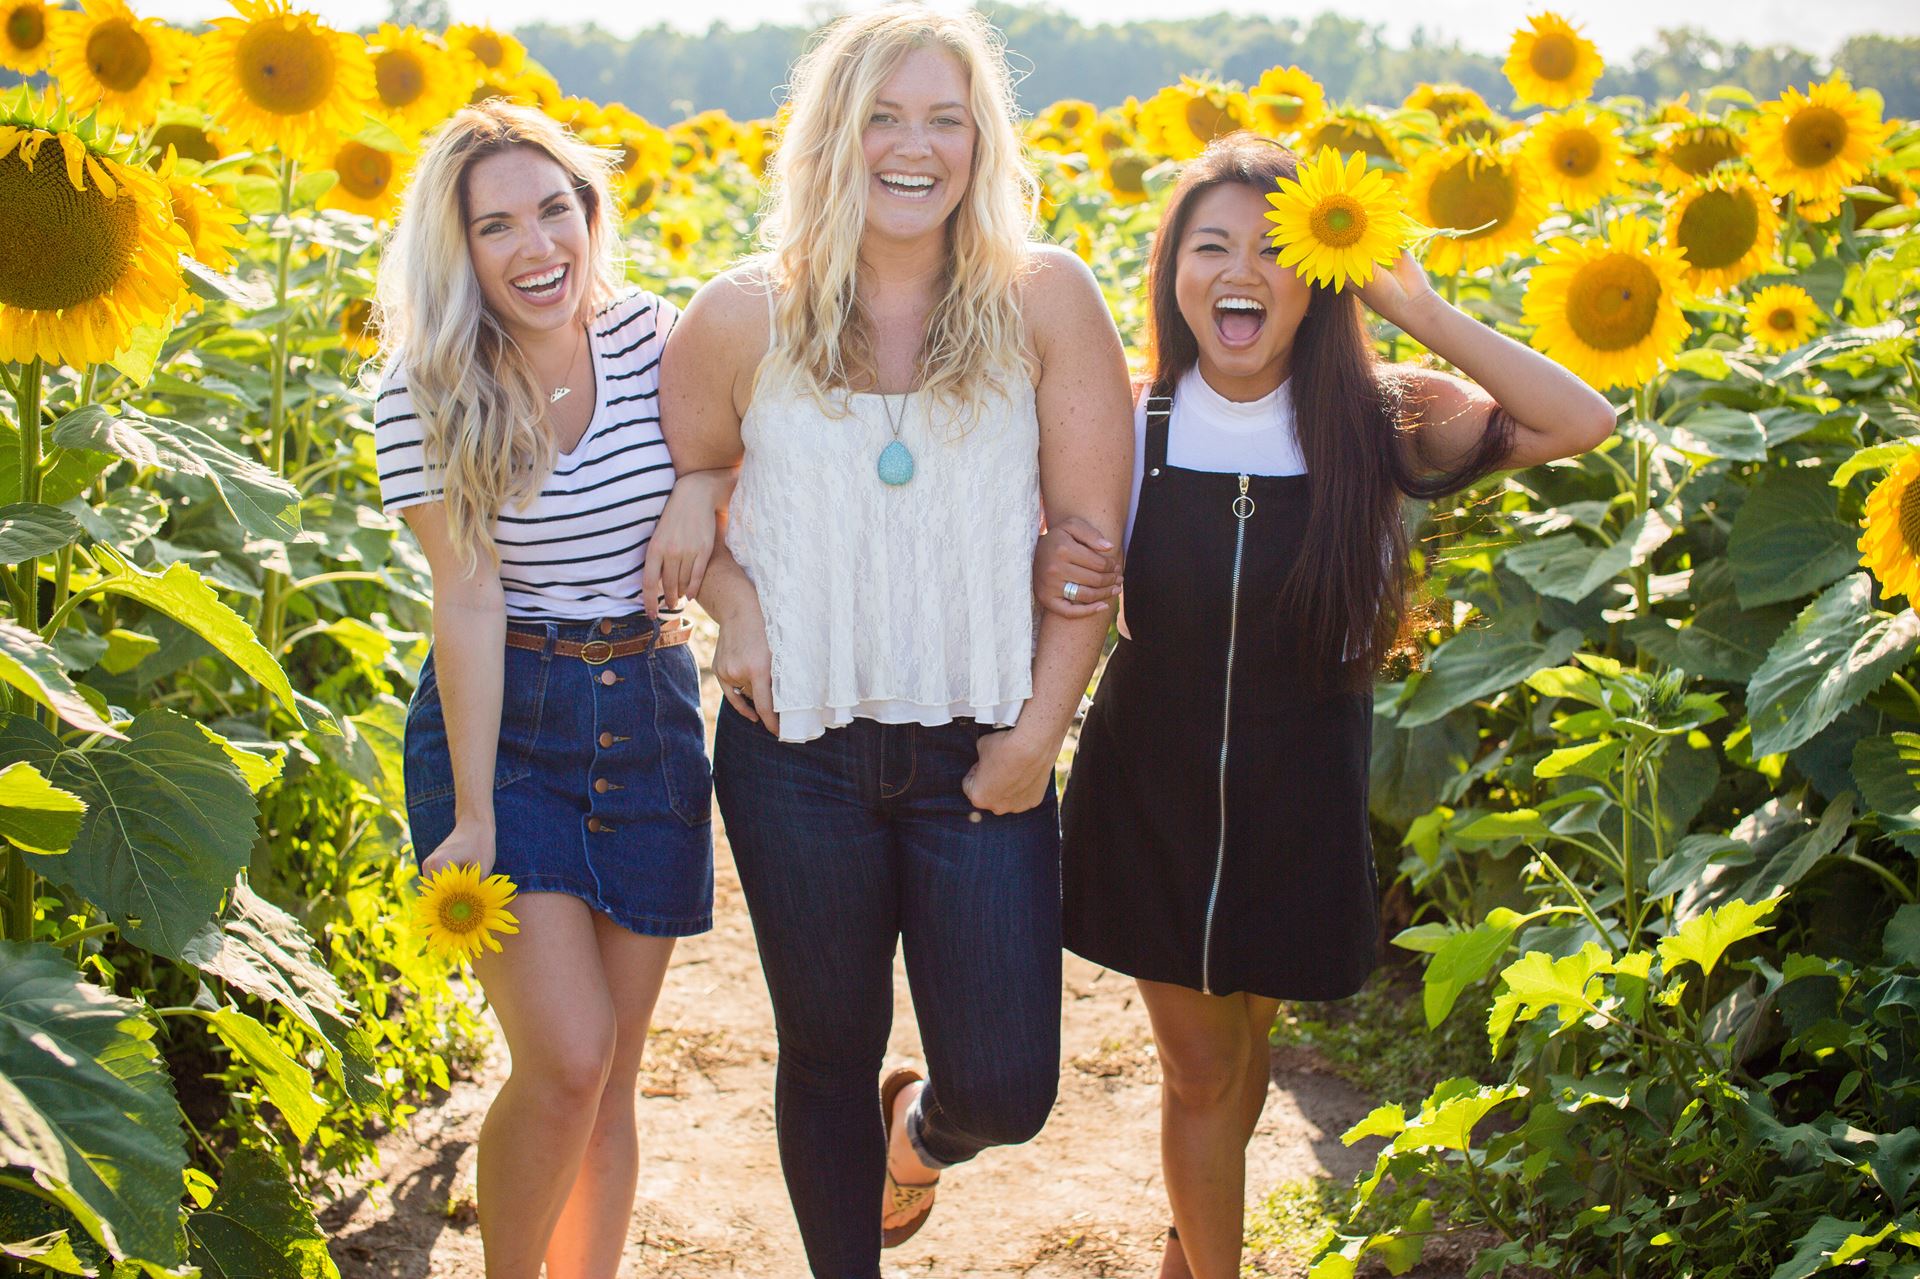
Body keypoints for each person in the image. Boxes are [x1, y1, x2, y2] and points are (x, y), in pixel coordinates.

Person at [1035, 134, 1618, 1279]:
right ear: (1174, 272)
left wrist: (1423, 309)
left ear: (1321, 274)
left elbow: (1579, 419)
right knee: (1202, 1070)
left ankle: (1185, 1231)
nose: (1238, 269)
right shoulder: (1132, 417)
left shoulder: (1378, 418)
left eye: (1272, 246)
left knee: (1247, 1051)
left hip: (1302, 784)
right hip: (1151, 784)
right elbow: (1047, 560)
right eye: (1210, 245)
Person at [654, 5, 1132, 1273]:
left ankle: (918, 1136)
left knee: (1010, 1086)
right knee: (822, 1047)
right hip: (792, 751)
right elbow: (694, 491)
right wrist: (738, 605)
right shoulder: (739, 317)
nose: (912, 147)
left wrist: (1036, 740)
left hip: (980, 759)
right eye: (881, 115)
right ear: (831, 134)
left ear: (983, 142)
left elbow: (1090, 555)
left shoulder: (1047, 301)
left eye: (945, 118)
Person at [372, 101, 725, 1279]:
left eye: (554, 210)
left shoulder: (656, 340)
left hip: (651, 711)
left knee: (614, 1070)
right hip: (506, 721)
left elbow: (734, 446)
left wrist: (700, 486)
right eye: (497, 226)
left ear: (590, 213)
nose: (536, 247)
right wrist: (471, 811)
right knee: (565, 1056)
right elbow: (466, 600)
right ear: (459, 249)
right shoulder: (425, 386)